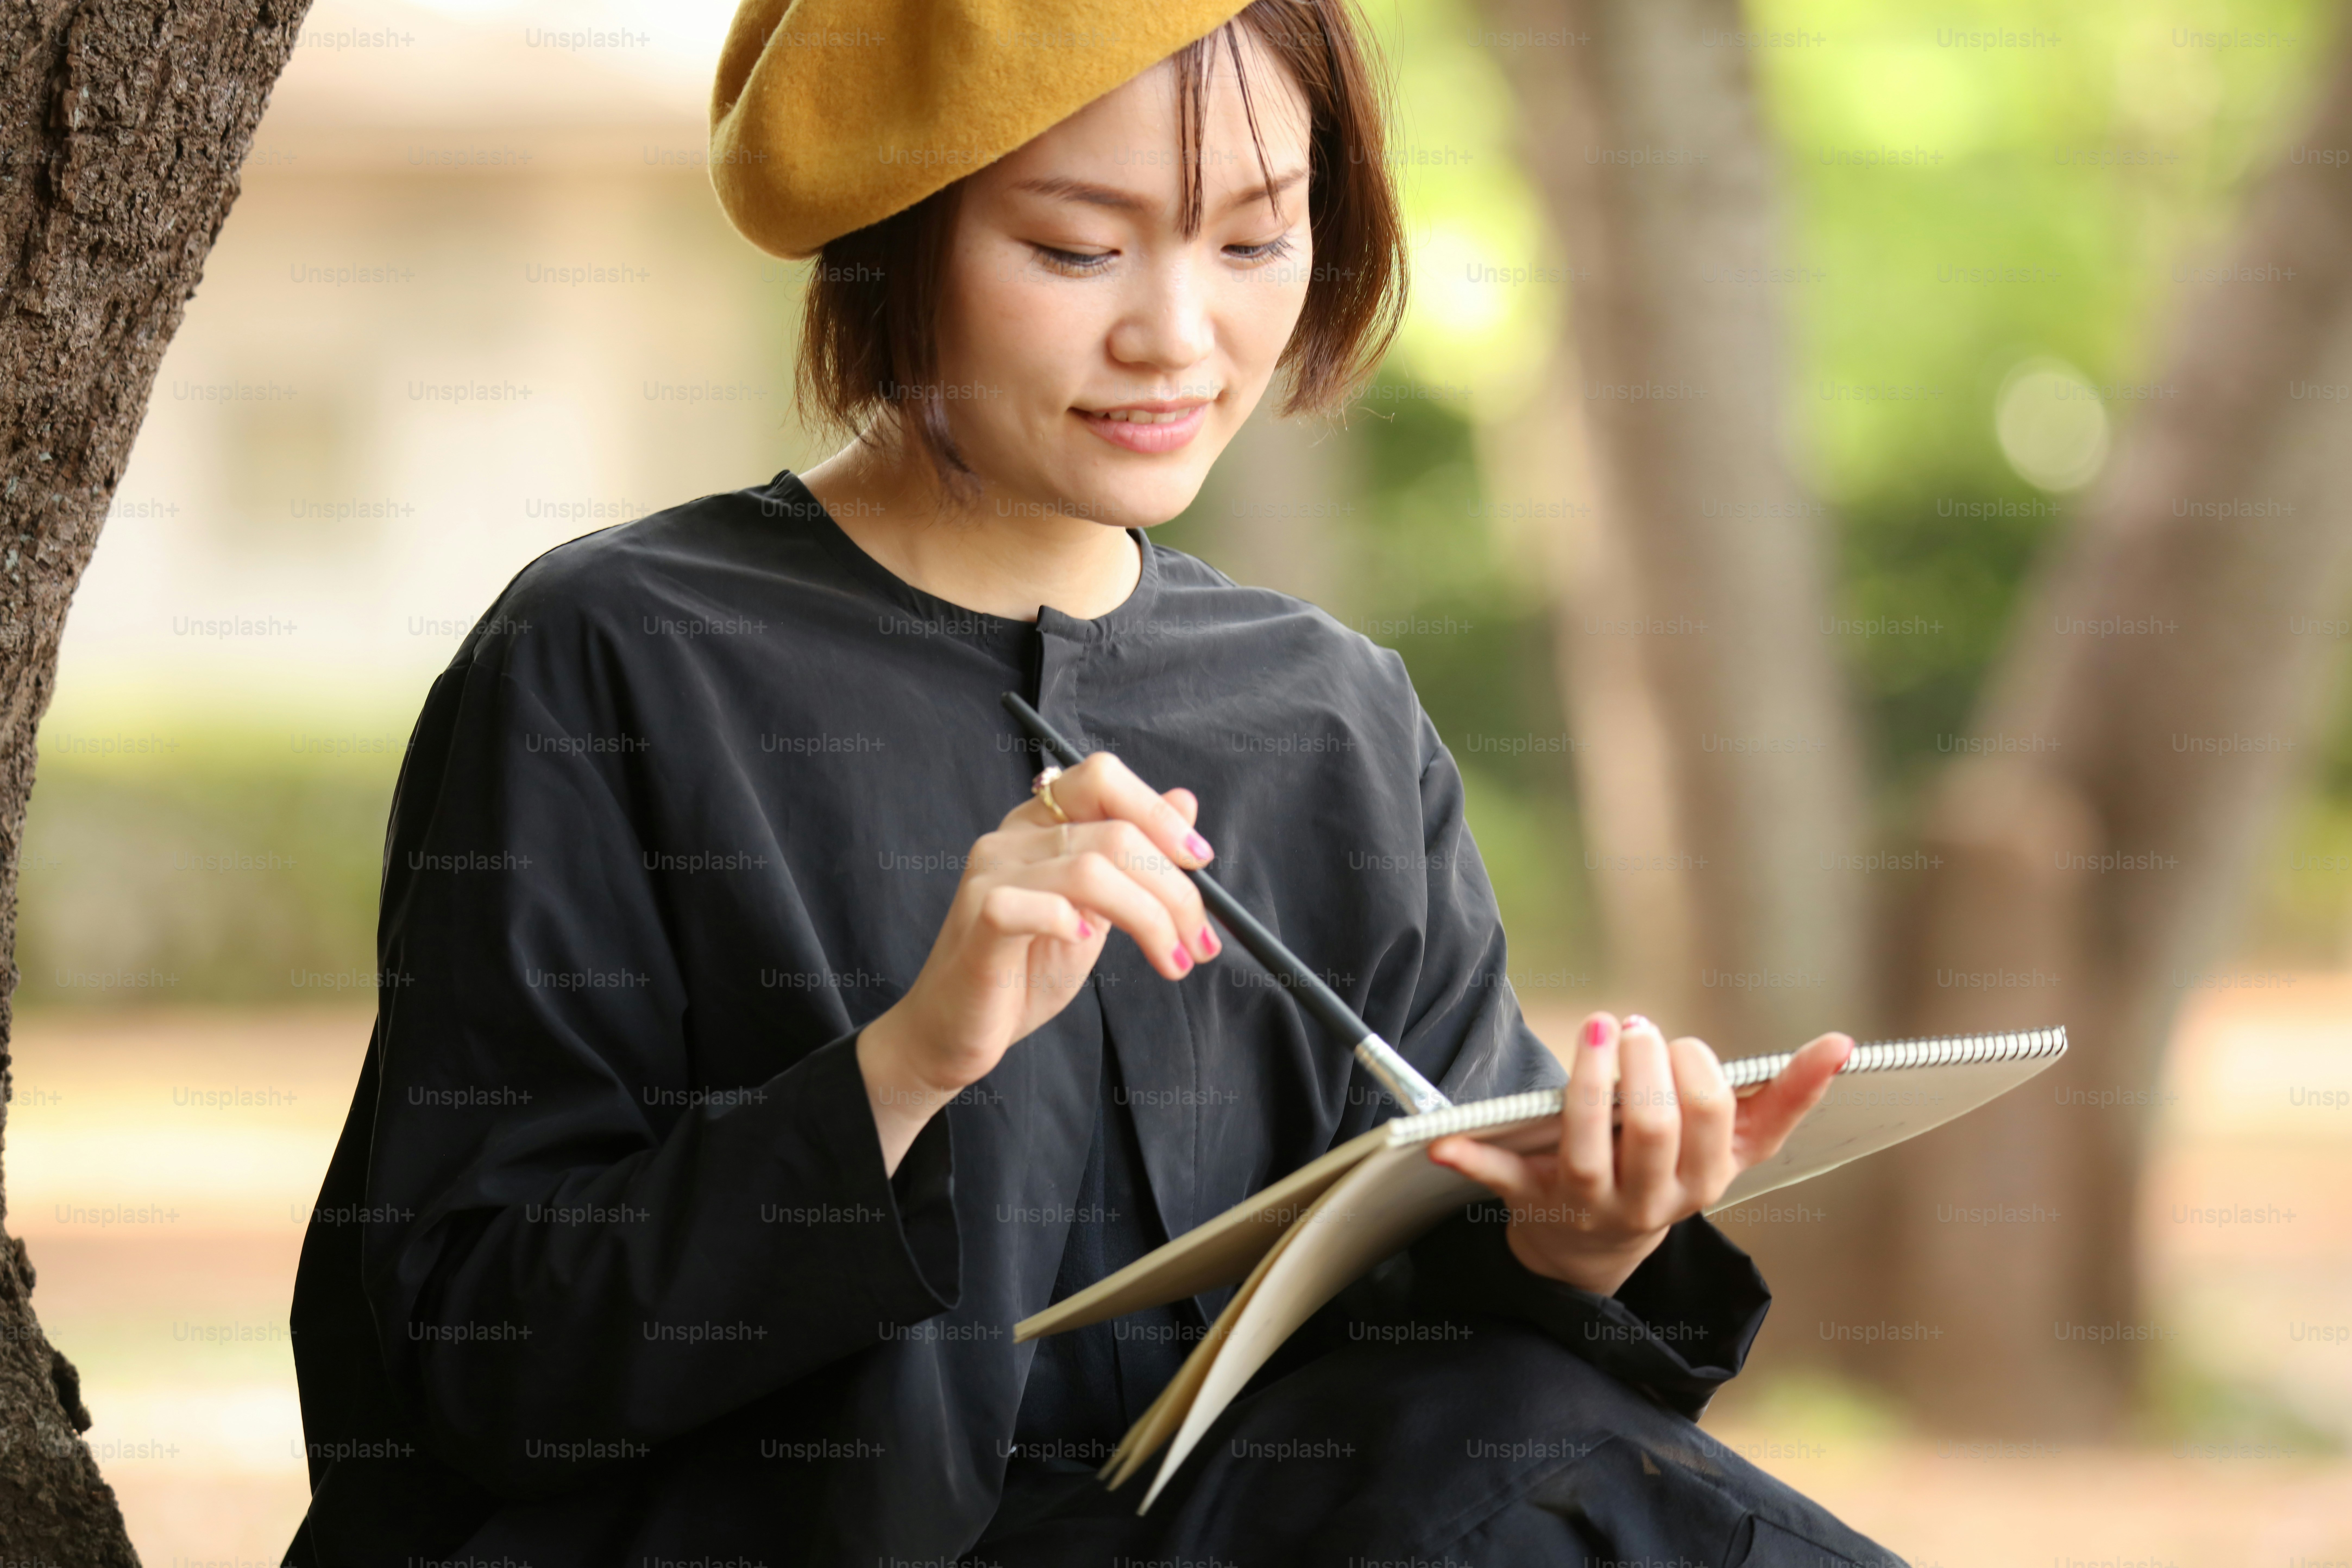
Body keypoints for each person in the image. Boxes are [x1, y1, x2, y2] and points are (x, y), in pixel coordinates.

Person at [284, 1, 1906, 1563]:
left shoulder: (1329, 713)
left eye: (1257, 239)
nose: (1177, 338)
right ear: (895, 225)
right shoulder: (617, 655)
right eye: (1075, 248)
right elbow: (467, 1359)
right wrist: (913, 1064)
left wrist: (1582, 1237)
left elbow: (1421, 1387)